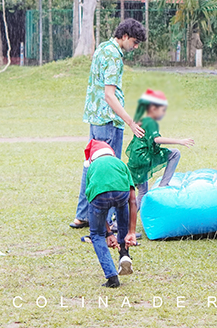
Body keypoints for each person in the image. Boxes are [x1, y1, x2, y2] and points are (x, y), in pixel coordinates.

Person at [71, 18, 147, 230]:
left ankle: (83, 215)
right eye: (135, 41)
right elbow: (109, 95)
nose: (135, 46)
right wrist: (130, 122)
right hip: (109, 121)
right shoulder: (114, 56)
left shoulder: (102, 49)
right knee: (109, 170)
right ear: (125, 36)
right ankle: (108, 221)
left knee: (92, 166)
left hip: (96, 118)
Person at [125, 89, 194, 215]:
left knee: (139, 191)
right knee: (175, 153)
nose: (164, 113)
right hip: (144, 158)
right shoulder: (151, 122)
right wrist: (179, 141)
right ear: (153, 109)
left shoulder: (141, 119)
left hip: (136, 159)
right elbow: (156, 139)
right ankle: (163, 184)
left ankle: (121, 218)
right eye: (163, 110)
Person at [83, 140, 138, 288]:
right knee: (122, 207)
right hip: (121, 194)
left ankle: (112, 278)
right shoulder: (120, 163)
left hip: (99, 197)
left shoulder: (92, 167)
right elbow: (133, 200)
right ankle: (124, 254)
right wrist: (131, 232)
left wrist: (107, 233)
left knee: (96, 235)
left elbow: (93, 202)